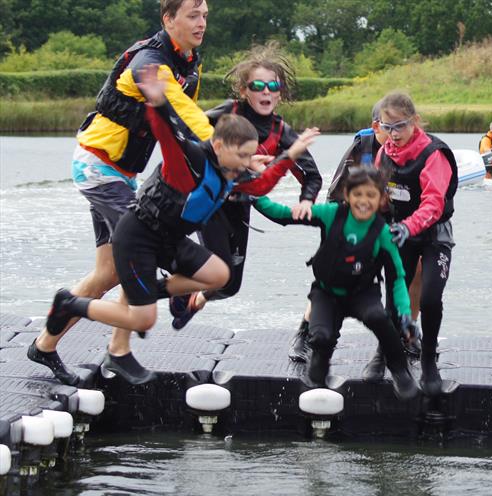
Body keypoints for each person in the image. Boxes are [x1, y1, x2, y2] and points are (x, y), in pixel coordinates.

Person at [27, 0, 213, 386]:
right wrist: (229, 148)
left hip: (122, 175)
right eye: (193, 15)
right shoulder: (148, 63)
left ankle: (43, 345)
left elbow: (177, 134)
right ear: (168, 19)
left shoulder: (189, 65)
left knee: (109, 272)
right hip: (97, 167)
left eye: (205, 15)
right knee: (140, 245)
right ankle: (119, 351)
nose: (201, 23)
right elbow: (189, 120)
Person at [41, 65, 263, 384]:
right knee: (142, 319)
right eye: (242, 155)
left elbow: (256, 181)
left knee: (219, 275)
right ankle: (70, 303)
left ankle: (152, 292)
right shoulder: (187, 162)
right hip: (140, 235)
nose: (246, 163)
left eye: (249, 157)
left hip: (166, 238)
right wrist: (157, 103)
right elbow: (168, 135)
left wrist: (272, 159)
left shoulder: (231, 171)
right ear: (218, 147)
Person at [166, 44, 322, 330]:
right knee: (220, 270)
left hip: (240, 206)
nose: (265, 91)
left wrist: (306, 201)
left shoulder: (282, 132)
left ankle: (193, 298)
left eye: (272, 85)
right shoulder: (228, 112)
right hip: (210, 200)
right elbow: (188, 135)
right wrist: (237, 158)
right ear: (244, 90)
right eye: (257, 85)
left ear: (280, 91)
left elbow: (312, 176)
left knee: (230, 287)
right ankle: (164, 280)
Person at [253, 166, 419, 401]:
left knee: (380, 318)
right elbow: (283, 214)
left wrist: (405, 316)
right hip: (327, 293)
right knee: (320, 337)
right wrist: (253, 195)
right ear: (347, 195)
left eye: (370, 196)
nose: (363, 201)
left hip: (362, 294)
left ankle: (400, 370)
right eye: (357, 195)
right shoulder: (331, 214)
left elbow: (399, 280)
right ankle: (318, 373)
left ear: (382, 199)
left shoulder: (384, 233)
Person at [361, 92, 458, 396]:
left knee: (429, 299)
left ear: (415, 122)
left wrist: (408, 226)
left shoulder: (434, 155)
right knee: (393, 299)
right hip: (399, 232)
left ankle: (428, 362)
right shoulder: (384, 154)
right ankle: (384, 353)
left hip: (433, 235)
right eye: (387, 128)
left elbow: (432, 203)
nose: (394, 135)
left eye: (400, 127)